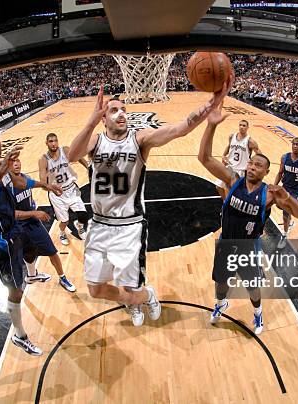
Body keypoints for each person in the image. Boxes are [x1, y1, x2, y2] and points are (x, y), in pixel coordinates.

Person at [67, 80, 231, 326]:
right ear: (103, 118)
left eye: (123, 109)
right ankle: (137, 298)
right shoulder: (96, 141)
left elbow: (180, 129)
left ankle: (141, 298)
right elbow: (71, 156)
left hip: (128, 226)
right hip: (99, 224)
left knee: (129, 287)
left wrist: (211, 104)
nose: (121, 113)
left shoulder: (139, 139)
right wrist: (90, 122)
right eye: (113, 110)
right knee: (95, 289)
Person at [198, 101, 298, 334]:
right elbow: (204, 158)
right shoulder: (232, 180)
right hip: (226, 241)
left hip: (249, 247)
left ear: (266, 172)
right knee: (221, 282)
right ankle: (220, 304)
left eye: (258, 165)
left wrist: (287, 197)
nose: (253, 167)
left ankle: (257, 313)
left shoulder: (270, 194)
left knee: (252, 286)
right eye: (252, 163)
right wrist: (211, 126)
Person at [0, 131, 62, 355]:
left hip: (12, 229)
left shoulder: (3, 166)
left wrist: (44, 186)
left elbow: (20, 181)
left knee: (32, 251)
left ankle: (31, 274)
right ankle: (19, 336)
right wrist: (1, 172)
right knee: (15, 290)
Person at [11, 158, 76, 291]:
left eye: (18, 160)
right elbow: (11, 213)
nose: (17, 164)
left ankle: (62, 277)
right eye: (12, 162)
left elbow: (29, 197)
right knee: (24, 255)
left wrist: (33, 207)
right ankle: (30, 276)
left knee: (52, 251)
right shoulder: (7, 188)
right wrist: (34, 213)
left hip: (32, 223)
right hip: (17, 226)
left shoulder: (25, 178)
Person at [38, 133, 89, 246]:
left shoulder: (65, 150)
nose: (53, 143)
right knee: (65, 220)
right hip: (57, 193)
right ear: (46, 143)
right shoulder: (44, 159)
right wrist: (48, 185)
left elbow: (79, 156)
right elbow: (42, 179)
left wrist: (88, 167)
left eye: (55, 140)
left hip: (71, 189)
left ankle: (79, 227)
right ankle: (62, 232)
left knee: (83, 215)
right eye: (51, 141)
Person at [216, 120, 260, 200]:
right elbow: (229, 146)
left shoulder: (250, 141)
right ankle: (225, 203)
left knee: (234, 193)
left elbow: (259, 154)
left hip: (241, 170)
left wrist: (253, 163)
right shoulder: (232, 136)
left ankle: (230, 207)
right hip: (229, 166)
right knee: (219, 187)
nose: (242, 127)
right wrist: (223, 155)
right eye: (240, 125)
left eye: (244, 126)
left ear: (247, 128)